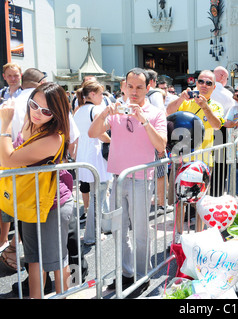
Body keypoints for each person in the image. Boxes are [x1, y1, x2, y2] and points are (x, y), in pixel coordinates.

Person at [88, 67, 167, 296]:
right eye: (130, 86)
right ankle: (126, 272)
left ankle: (142, 275)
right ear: (123, 87)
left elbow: (161, 146)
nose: (134, 91)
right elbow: (93, 133)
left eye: (139, 87)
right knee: (119, 231)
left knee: (141, 232)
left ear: (147, 88)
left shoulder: (155, 112)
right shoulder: (115, 111)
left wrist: (143, 121)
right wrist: (104, 114)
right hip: (118, 180)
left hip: (142, 180)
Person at [0, 82, 73, 299]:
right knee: (34, 259)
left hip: (53, 204)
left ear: (57, 113)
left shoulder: (54, 137)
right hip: (31, 200)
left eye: (46, 110)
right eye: (34, 105)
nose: (37, 113)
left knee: (57, 260)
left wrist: (4, 126)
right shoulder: (31, 123)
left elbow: (9, 159)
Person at [167, 70, 224, 236]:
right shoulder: (185, 102)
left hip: (203, 162)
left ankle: (199, 235)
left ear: (214, 87)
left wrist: (205, 107)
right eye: (201, 81)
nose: (204, 85)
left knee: (200, 201)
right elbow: (168, 113)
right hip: (182, 158)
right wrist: (180, 98)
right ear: (196, 83)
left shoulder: (216, 106)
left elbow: (215, 125)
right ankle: (179, 236)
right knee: (180, 201)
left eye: (208, 83)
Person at [73, 80, 112, 245]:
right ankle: (91, 235)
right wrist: (112, 141)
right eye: (101, 94)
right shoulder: (96, 109)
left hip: (82, 155)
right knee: (99, 196)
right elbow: (100, 133)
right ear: (93, 94)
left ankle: (105, 226)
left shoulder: (78, 110)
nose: (102, 97)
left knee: (98, 195)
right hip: (95, 156)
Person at [210, 66, 235, 196]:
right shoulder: (227, 95)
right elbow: (231, 117)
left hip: (200, 131)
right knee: (219, 166)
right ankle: (216, 195)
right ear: (222, 77)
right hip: (220, 132)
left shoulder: (200, 90)